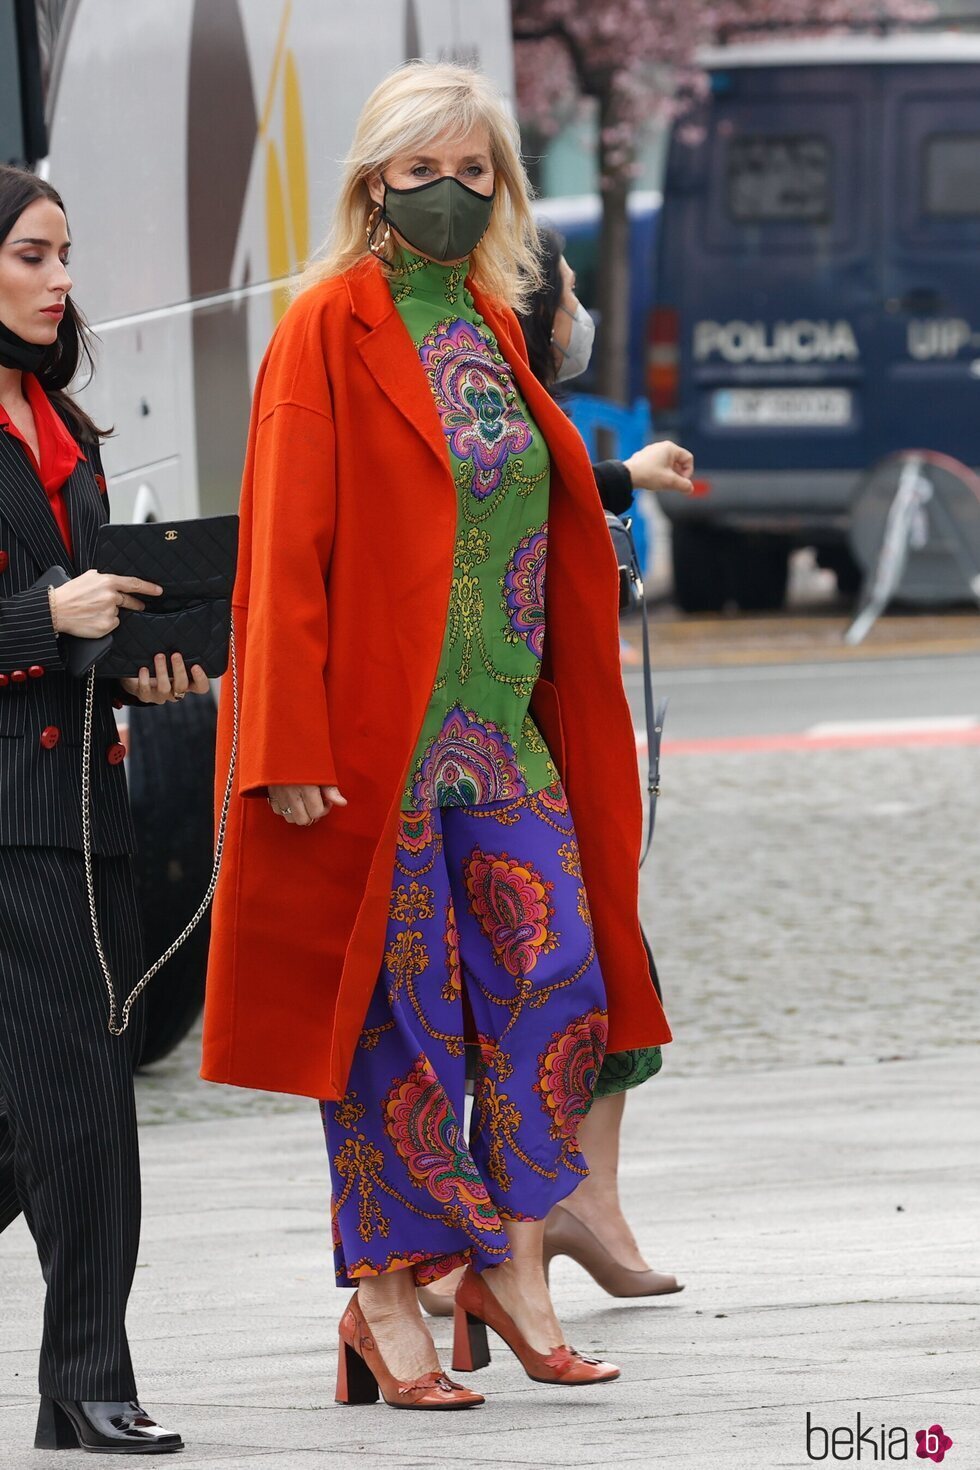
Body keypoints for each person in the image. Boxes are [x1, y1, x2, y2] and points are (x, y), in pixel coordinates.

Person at [201, 60, 671, 1412]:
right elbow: (284, 554)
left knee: (559, 980)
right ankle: (386, 1297)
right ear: (373, 184)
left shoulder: (487, 319)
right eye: (426, 173)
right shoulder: (327, 328)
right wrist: (283, 743)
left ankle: (512, 1268)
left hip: (504, 731)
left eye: (478, 173)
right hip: (375, 742)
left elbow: (529, 503)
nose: (454, 196)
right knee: (396, 1026)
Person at [417, 226, 691, 1320]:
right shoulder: (485, 399)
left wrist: (621, 474)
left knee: (597, 962)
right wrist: (617, 474)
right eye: (567, 288)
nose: (578, 310)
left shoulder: (527, 402)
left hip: (539, 731)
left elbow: (549, 481)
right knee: (533, 970)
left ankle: (579, 1208)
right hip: (490, 741)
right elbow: (511, 491)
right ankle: (461, 1243)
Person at [0, 165, 208, 1454]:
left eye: (64, 253)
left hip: (77, 805)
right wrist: (46, 615)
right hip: (16, 813)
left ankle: (83, 1375)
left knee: (43, 1109)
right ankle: (88, 1379)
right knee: (80, 1099)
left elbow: (83, 619)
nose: (60, 277)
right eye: (32, 253)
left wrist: (141, 661)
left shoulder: (52, 415)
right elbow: (41, 611)